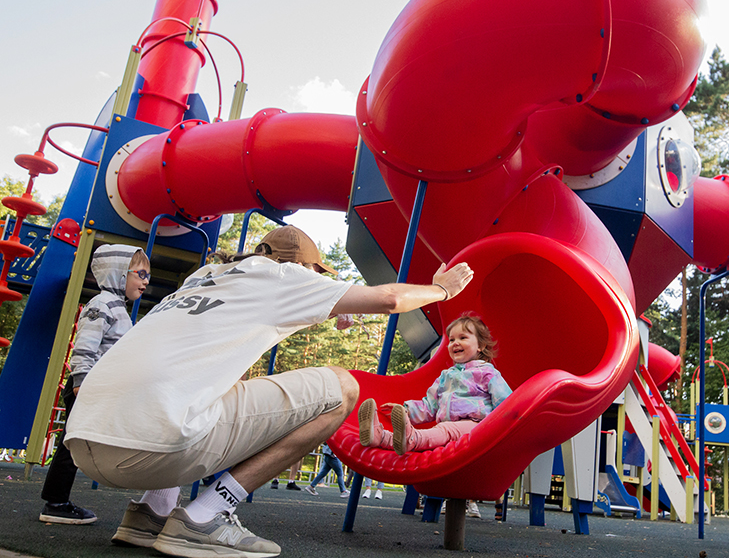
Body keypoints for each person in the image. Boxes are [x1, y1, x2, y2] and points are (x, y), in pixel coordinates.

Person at [65, 225, 473, 558]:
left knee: (210, 386)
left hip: (84, 443)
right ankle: (206, 515)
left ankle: (150, 512)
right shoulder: (283, 276)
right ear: (303, 267)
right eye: (318, 274)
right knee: (343, 389)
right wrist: (443, 289)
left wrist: (333, 304)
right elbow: (390, 298)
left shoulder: (204, 277)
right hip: (151, 450)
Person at [39, 244, 150, 525]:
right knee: (72, 442)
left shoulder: (118, 308)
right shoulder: (101, 304)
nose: (146, 281)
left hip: (97, 386)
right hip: (86, 384)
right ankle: (56, 502)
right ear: (117, 274)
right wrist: (81, 381)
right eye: (140, 274)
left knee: (75, 441)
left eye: (148, 276)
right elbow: (85, 345)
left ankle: (56, 500)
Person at [358, 314, 511, 455]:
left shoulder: (487, 373)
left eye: (463, 337)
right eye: (451, 340)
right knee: (439, 432)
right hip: (448, 428)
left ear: (481, 346)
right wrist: (406, 410)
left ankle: (411, 439)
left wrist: (498, 431)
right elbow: (430, 407)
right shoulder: (445, 377)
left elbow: (506, 402)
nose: (455, 343)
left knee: (442, 430)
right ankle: (380, 436)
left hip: (477, 428)